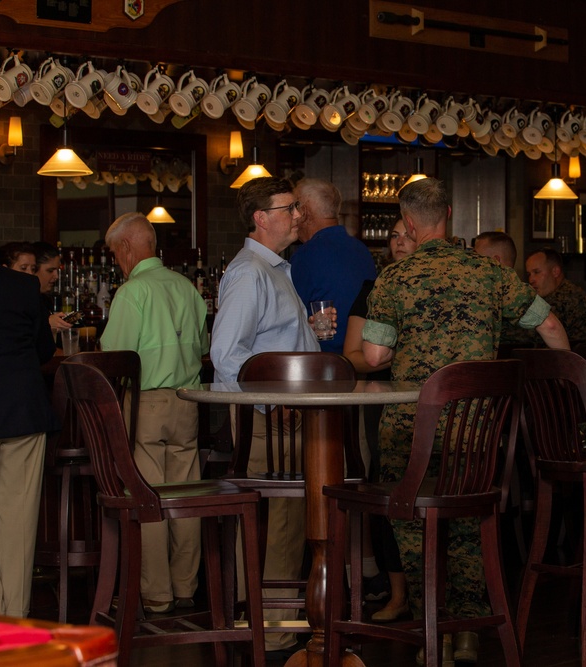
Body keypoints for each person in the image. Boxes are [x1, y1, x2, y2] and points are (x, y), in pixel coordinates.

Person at [361, 178, 567, 662]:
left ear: (409, 223)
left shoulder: (395, 278)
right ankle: (470, 631)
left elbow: (373, 355)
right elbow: (551, 326)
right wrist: (567, 379)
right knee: (469, 518)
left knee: (411, 517)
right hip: (477, 430)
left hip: (411, 428)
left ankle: (435, 631)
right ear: (449, 214)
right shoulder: (490, 272)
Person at [210, 177, 321, 656]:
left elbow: (263, 340)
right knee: (282, 521)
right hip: (271, 420)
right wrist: (268, 405)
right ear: (261, 218)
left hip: (285, 415)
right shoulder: (250, 271)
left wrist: (307, 329)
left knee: (288, 520)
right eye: (289, 207)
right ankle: (272, 631)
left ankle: (262, 622)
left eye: (297, 207)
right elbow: (226, 353)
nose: (297, 215)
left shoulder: (274, 268)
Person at [99, 212, 209, 614]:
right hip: (188, 400)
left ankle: (156, 593)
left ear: (127, 247)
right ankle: (185, 587)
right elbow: (201, 347)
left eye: (115, 254)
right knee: (185, 495)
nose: (117, 262)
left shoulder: (133, 292)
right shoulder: (186, 288)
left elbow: (114, 356)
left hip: (147, 401)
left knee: (147, 496)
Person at [0, 212, 56, 617]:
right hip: (25, 409)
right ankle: (12, 620)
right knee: (19, 522)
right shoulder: (23, 286)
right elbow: (43, 351)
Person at [342, 218, 418, 624]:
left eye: (407, 234)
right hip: (385, 403)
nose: (400, 241)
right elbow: (354, 357)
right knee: (389, 490)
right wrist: (387, 356)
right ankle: (399, 594)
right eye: (394, 235)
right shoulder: (375, 290)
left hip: (432, 403)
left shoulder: (434, 288)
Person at [289, 178, 376, 355]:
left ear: (304, 212)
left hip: (321, 363)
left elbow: (288, 318)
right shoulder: (362, 250)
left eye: (293, 208)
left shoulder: (306, 255)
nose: (292, 215)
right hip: (360, 360)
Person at [473, 231, 539, 349]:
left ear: (495, 261)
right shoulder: (527, 295)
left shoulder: (491, 295)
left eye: (478, 259)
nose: (474, 265)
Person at [525, 248, 586, 346]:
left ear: (555, 271)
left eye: (537, 272)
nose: (531, 279)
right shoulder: (564, 292)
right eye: (529, 274)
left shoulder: (564, 298)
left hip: (577, 358)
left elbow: (534, 339)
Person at [32, 241, 72, 335]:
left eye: (57, 270)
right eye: (50, 271)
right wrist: (46, 323)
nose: (56, 276)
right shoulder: (19, 302)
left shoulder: (44, 300)